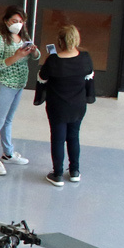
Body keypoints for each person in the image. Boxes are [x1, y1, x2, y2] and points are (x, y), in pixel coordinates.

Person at [37, 24, 94, 186]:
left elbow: (42, 78)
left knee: (58, 138)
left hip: (57, 107)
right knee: (74, 136)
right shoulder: (85, 58)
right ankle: (75, 171)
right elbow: (89, 79)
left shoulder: (53, 61)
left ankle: (58, 173)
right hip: (78, 106)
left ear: (60, 41)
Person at [0, 5, 40, 175]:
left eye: (21, 21)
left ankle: (8, 153)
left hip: (19, 84)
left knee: (8, 121)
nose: (18, 24)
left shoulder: (23, 36)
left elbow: (36, 57)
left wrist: (34, 51)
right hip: (4, 85)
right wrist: (17, 56)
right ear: (6, 21)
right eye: (14, 21)